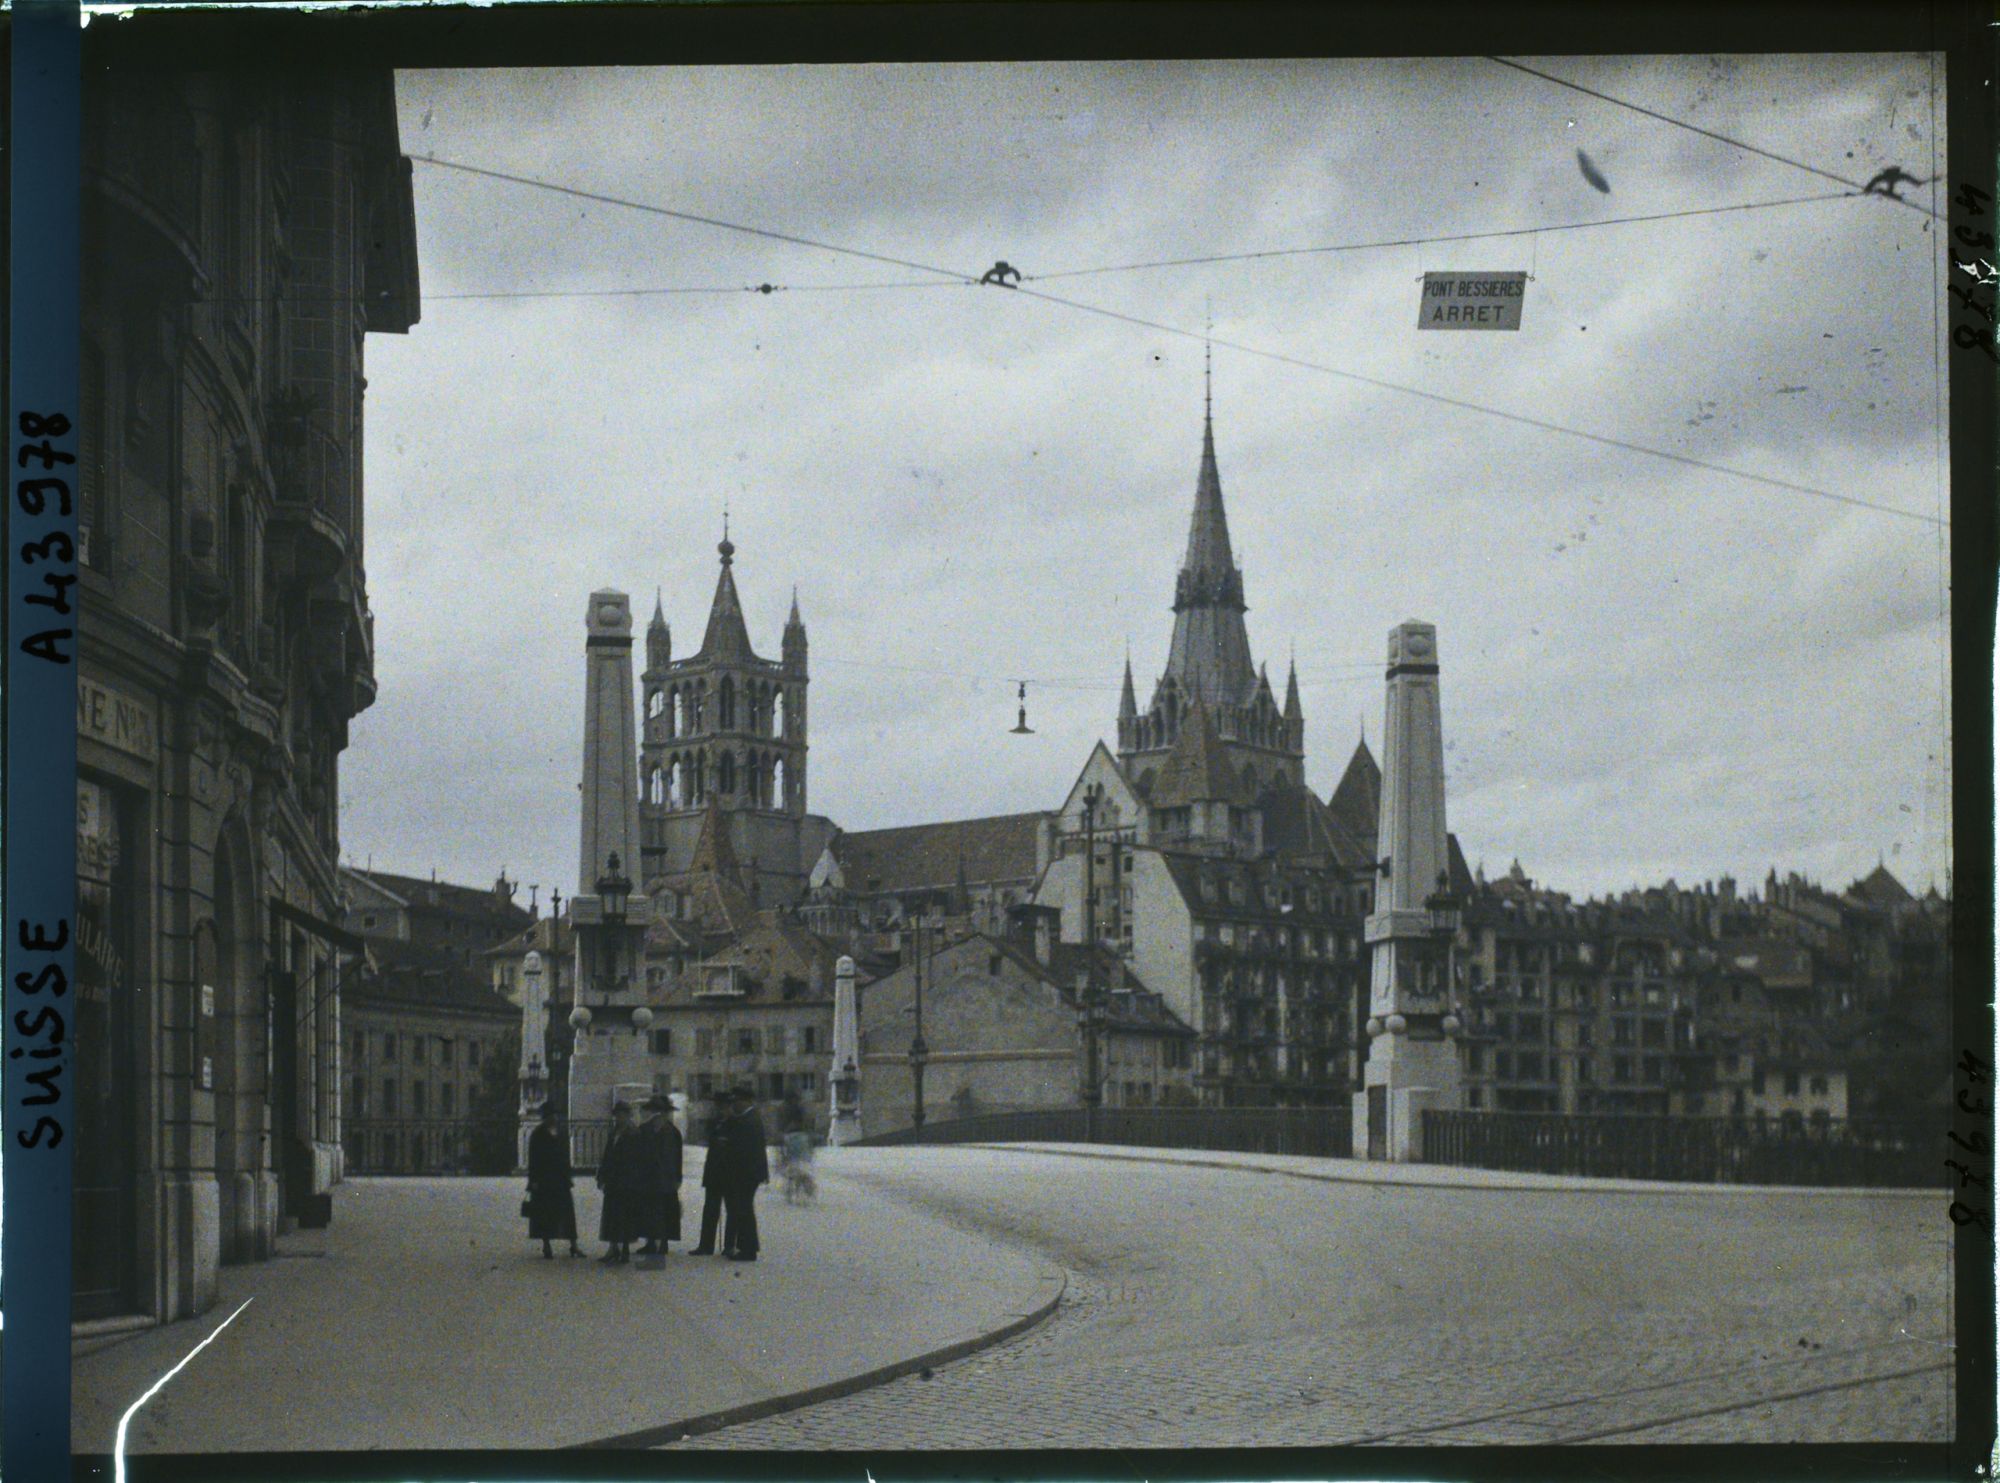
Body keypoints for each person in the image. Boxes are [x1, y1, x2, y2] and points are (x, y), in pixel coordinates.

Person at [717, 1085, 771, 1261]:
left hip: (747, 1173)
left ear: (745, 1101)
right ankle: (747, 1247)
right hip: (749, 1172)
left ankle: (748, 1250)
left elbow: (742, 1147)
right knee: (744, 1209)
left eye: (737, 1101)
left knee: (744, 1210)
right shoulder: (749, 1117)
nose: (735, 1105)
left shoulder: (749, 1119)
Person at [524, 1103, 583, 1259]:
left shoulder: (562, 1132)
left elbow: (565, 1156)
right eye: (550, 1115)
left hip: (561, 1179)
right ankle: (546, 1245)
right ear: (545, 1118)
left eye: (555, 1115)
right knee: (545, 1214)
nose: (553, 1118)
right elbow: (533, 1160)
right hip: (544, 1180)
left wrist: (568, 1176)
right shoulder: (538, 1134)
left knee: (568, 1214)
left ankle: (573, 1245)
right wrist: (533, 1180)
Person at [633, 1093, 684, 1268]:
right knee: (649, 1210)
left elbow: (677, 1157)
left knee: (663, 1210)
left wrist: (678, 1177)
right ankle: (651, 1242)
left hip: (665, 1178)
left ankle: (661, 1243)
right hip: (649, 1178)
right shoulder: (645, 1129)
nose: (657, 1115)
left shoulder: (671, 1131)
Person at [689, 1089, 738, 1257]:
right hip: (714, 1172)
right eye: (719, 1107)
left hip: (731, 1173)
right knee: (710, 1209)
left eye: (724, 1107)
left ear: (730, 1106)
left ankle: (730, 1245)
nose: (721, 1110)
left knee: (732, 1210)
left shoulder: (736, 1123)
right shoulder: (715, 1122)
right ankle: (706, 1245)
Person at [595, 1101, 644, 1264]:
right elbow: (607, 1156)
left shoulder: (633, 1133)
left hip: (626, 1182)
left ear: (628, 1115)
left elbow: (635, 1160)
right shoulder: (615, 1132)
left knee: (624, 1216)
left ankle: (624, 1249)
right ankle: (613, 1248)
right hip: (613, 1182)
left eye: (622, 1115)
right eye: (617, 1115)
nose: (619, 1118)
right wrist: (601, 1176)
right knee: (612, 1216)